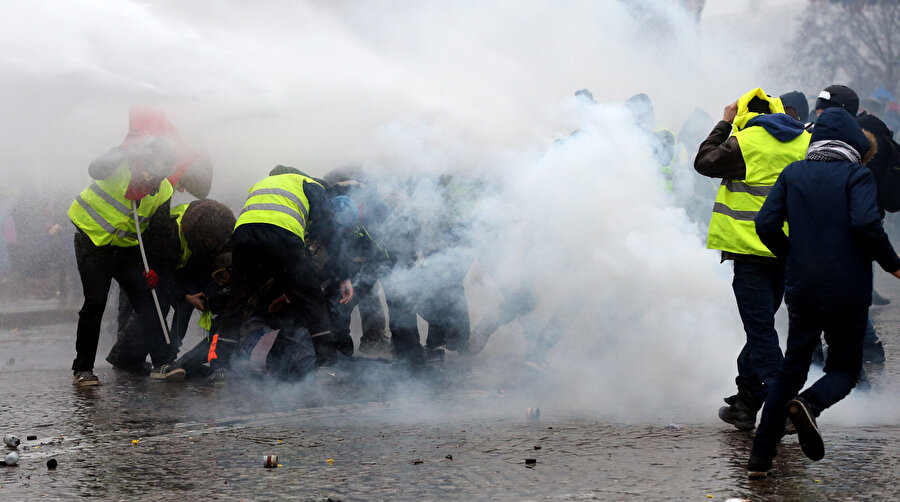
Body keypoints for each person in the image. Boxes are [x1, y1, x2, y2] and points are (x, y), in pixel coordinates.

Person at [747, 107, 900, 478]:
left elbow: (765, 223)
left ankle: (759, 459)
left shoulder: (793, 173)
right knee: (845, 369)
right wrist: (892, 263)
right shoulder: (856, 175)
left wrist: (791, 255)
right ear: (854, 144)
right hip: (846, 289)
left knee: (790, 371)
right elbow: (866, 223)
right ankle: (809, 404)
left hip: (802, 288)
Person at [694, 87, 811, 430]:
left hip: (750, 253)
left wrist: (725, 123)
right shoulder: (803, 142)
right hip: (789, 251)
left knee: (759, 330)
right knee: (760, 329)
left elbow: (703, 161)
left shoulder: (743, 142)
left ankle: (783, 400)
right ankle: (746, 403)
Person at [211, 165, 353, 380]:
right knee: (312, 299)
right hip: (283, 235)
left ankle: (221, 367)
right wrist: (344, 275)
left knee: (237, 301)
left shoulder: (268, 183)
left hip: (244, 236)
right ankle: (327, 365)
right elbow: (328, 230)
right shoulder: (313, 186)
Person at [67, 137, 184, 385]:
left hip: (127, 249)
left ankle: (163, 362)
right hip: (93, 241)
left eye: (163, 173)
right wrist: (119, 152)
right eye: (154, 170)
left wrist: (154, 268)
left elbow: (159, 232)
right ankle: (83, 369)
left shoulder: (163, 190)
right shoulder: (120, 166)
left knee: (147, 300)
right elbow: (95, 169)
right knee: (95, 302)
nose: (156, 179)